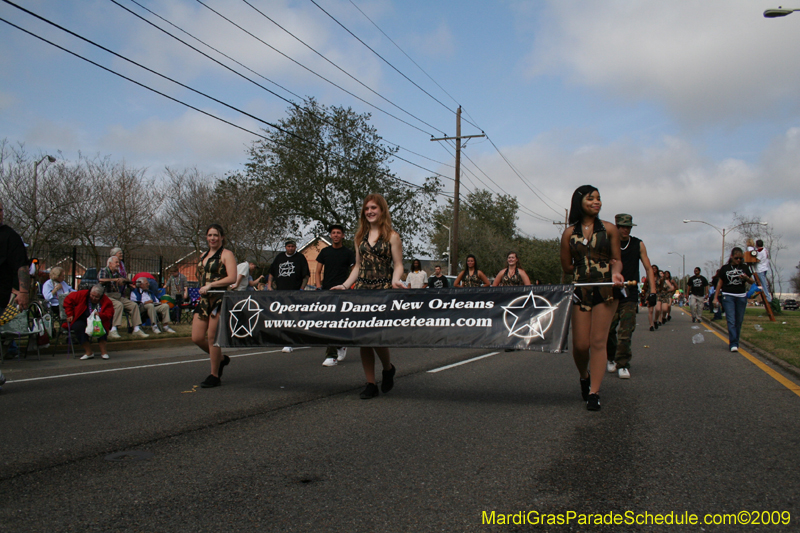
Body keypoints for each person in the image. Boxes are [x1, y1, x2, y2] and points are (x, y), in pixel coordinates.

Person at [332, 193, 405, 399]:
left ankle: (388, 368)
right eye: (367, 209)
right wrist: (345, 285)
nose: (370, 212)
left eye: (374, 208)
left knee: (377, 337)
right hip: (361, 290)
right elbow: (357, 266)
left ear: (381, 210)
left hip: (382, 290)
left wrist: (395, 280)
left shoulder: (392, 236)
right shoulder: (359, 237)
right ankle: (370, 383)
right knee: (363, 338)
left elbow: (398, 264)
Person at [559, 185, 623, 411]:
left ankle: (594, 392)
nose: (597, 202)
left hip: (605, 290)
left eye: (599, 198)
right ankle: (583, 375)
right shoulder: (569, 233)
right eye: (591, 198)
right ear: (579, 202)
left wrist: (616, 273)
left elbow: (616, 259)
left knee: (597, 341)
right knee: (580, 345)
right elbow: (566, 266)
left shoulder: (609, 229)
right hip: (580, 290)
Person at [606, 214, 656, 380]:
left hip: (630, 291)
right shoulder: (608, 243)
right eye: (622, 226)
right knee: (608, 329)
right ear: (616, 226)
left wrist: (653, 291)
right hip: (610, 292)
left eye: (628, 227)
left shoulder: (637, 244)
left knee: (626, 330)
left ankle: (623, 364)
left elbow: (648, 268)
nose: (625, 230)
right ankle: (611, 357)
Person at [192, 224, 237, 388]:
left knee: (212, 338)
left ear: (222, 237)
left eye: (216, 235)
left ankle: (214, 375)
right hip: (204, 300)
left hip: (219, 299)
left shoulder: (227, 254)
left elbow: (232, 278)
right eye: (210, 235)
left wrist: (212, 285)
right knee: (196, 337)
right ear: (206, 237)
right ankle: (222, 359)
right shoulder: (203, 255)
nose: (213, 238)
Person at [315, 224, 355, 367]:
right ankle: (335, 350)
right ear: (330, 235)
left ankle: (336, 350)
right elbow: (318, 271)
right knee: (329, 322)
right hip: (326, 291)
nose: (336, 235)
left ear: (343, 235)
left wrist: (350, 287)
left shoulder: (348, 253)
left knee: (339, 321)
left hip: (343, 291)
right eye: (333, 233)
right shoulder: (325, 252)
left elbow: (354, 271)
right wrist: (318, 287)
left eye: (339, 233)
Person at [268, 239, 311, 353]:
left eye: (293, 246)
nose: (291, 248)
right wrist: (269, 286)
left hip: (295, 292)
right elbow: (272, 272)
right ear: (285, 247)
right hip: (281, 292)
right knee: (282, 315)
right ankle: (284, 338)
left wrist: (302, 288)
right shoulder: (279, 257)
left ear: (295, 247)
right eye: (289, 246)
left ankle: (290, 340)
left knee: (293, 316)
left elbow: (306, 275)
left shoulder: (300, 258)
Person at [0, 201, 30, 366]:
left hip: (3, 294)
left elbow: (21, 266)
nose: (0, 213)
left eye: (1, 210)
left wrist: (23, 292)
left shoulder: (10, 237)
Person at [713, 247, 756, 352]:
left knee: (739, 321)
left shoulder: (745, 267)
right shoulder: (725, 268)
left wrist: (746, 278)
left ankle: (735, 340)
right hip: (728, 295)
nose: (738, 260)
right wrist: (715, 298)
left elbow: (752, 281)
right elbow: (720, 283)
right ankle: (733, 343)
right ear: (731, 256)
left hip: (741, 296)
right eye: (736, 258)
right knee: (731, 320)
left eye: (741, 258)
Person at [98, 255, 148, 339]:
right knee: (118, 305)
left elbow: (127, 280)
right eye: (116, 262)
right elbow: (101, 280)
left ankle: (136, 329)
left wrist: (123, 280)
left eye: (118, 262)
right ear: (110, 263)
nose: (118, 264)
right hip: (106, 296)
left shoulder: (117, 273)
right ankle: (113, 329)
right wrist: (115, 280)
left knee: (134, 305)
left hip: (117, 295)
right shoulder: (104, 270)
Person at [63, 284, 114, 360]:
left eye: (96, 297)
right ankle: (89, 352)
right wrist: (69, 314)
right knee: (78, 327)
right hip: (82, 318)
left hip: (98, 320)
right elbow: (68, 300)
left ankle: (104, 352)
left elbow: (109, 314)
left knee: (102, 327)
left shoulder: (106, 301)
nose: (93, 298)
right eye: (92, 295)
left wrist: (100, 314)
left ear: (101, 296)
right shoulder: (82, 294)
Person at [648, 264, 661, 330]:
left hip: (657, 294)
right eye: (652, 268)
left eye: (655, 268)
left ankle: (655, 320)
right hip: (650, 294)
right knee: (650, 310)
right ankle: (651, 325)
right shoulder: (649, 277)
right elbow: (645, 286)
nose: (654, 270)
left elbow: (661, 287)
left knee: (658, 309)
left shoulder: (659, 278)